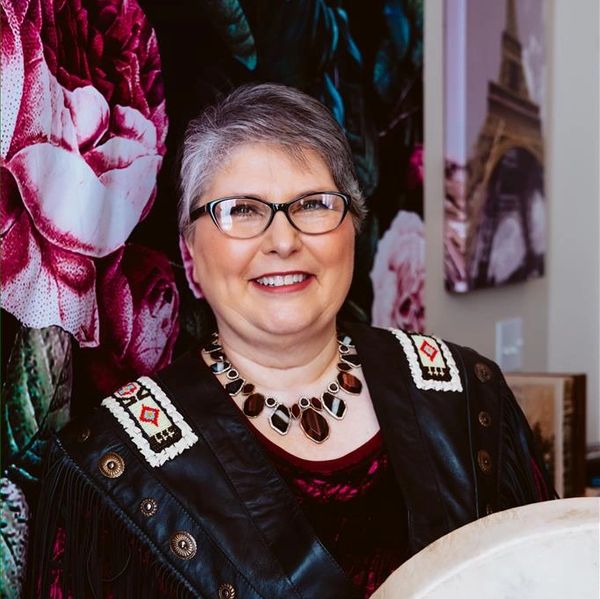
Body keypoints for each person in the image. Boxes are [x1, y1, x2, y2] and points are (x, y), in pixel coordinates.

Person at [28, 83, 554, 599]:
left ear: (354, 229)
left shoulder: (467, 398)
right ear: (190, 256)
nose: (283, 241)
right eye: (242, 211)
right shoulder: (114, 469)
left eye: (314, 205)